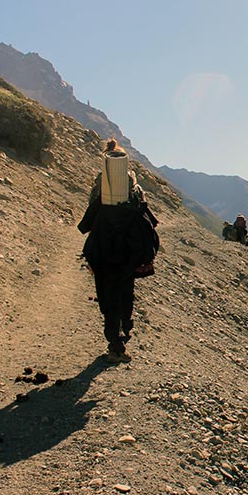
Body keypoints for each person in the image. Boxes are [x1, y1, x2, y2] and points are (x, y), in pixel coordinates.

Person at [77, 139, 157, 364]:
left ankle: (115, 342)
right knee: (125, 291)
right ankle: (126, 329)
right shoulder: (134, 187)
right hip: (127, 251)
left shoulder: (100, 186)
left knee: (107, 295)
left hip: (102, 248)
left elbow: (90, 219)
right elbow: (144, 217)